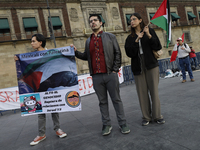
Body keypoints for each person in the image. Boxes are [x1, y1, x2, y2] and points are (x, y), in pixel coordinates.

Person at [71, 14, 130, 135]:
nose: (93, 23)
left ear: (101, 23)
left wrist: (115, 69)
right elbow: (86, 56)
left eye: (95, 20)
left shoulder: (110, 37)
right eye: (91, 21)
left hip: (110, 74)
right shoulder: (88, 40)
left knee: (116, 100)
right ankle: (106, 125)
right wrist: (76, 52)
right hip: (96, 76)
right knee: (102, 102)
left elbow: (117, 53)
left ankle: (123, 123)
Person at [14, 34, 67, 146]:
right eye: (31, 41)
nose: (31, 43)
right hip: (37, 88)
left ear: (40, 42)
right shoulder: (30, 57)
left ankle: (57, 129)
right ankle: (41, 134)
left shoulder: (51, 53)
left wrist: (71, 49)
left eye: (33, 41)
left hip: (49, 85)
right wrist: (18, 61)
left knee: (54, 108)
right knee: (40, 111)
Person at [124, 13, 165, 126]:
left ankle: (157, 116)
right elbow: (129, 53)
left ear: (140, 20)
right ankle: (146, 117)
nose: (131, 21)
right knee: (142, 93)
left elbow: (157, 46)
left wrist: (148, 35)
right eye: (130, 20)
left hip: (151, 65)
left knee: (154, 92)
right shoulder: (130, 38)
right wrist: (137, 41)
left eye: (134, 19)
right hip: (138, 66)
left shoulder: (150, 31)